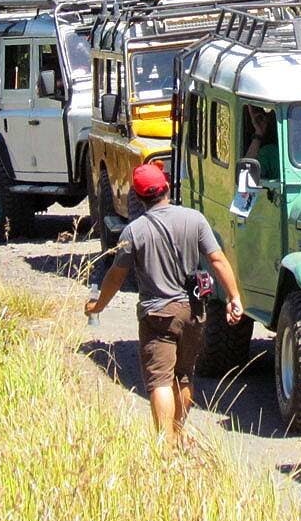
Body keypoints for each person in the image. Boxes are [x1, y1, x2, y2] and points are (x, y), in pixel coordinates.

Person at [84, 164, 243, 445]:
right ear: (167, 188)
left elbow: (116, 277)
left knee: (159, 381)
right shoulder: (194, 219)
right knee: (183, 376)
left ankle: (165, 444)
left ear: (138, 197)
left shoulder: (133, 232)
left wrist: (98, 306)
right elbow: (217, 259)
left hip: (156, 314)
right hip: (192, 311)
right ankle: (179, 434)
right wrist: (234, 297)